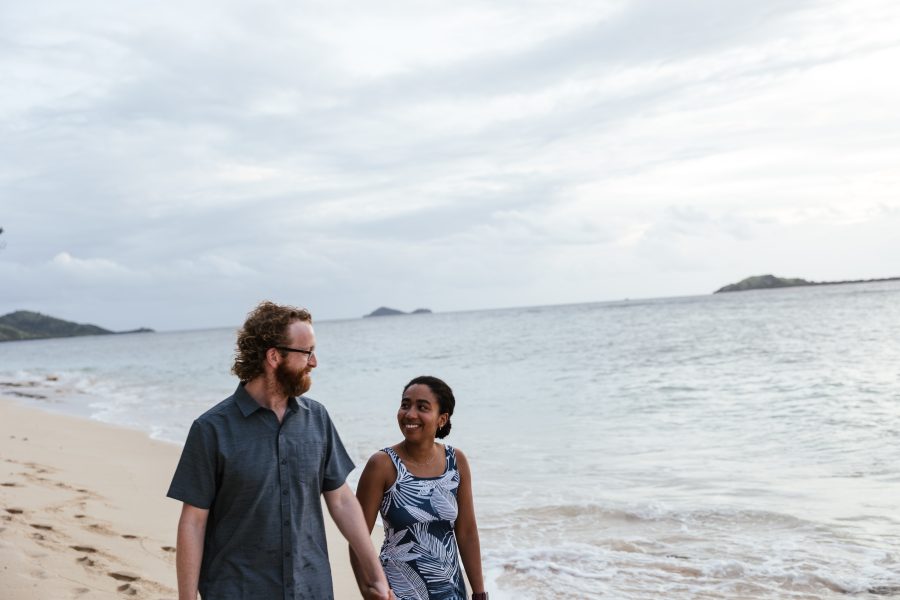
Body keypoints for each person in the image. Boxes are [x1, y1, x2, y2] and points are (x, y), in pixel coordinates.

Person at [167, 301, 392, 600]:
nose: (314, 362)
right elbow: (193, 522)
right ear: (274, 356)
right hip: (237, 590)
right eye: (308, 352)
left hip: (311, 588)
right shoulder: (211, 429)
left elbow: (340, 500)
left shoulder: (317, 418)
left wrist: (376, 576)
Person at [352, 375, 488, 600]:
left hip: (451, 591)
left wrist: (479, 593)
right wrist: (370, 592)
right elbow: (358, 539)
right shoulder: (382, 465)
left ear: (441, 419)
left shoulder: (456, 461)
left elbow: (467, 532)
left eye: (422, 407)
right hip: (398, 591)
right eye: (405, 405)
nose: (410, 414)